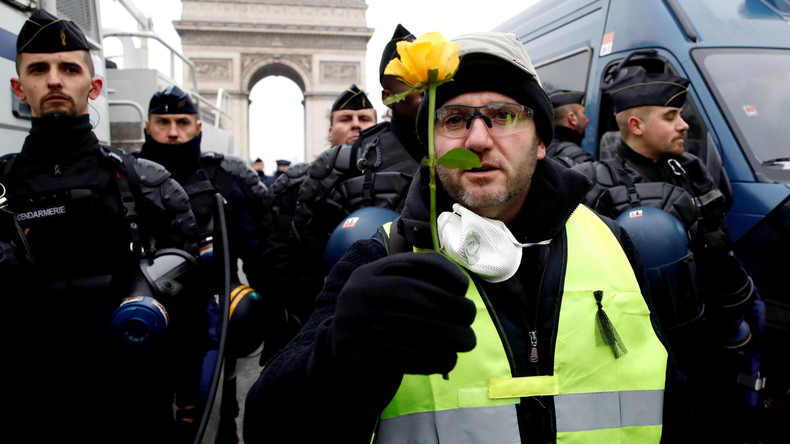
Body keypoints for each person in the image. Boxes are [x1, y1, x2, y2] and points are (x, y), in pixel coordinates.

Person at [244, 31, 694, 443]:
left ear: (541, 140)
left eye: (503, 115)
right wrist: (339, 353)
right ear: (431, 145)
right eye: (454, 119)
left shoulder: (613, 243)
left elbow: (676, 402)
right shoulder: (378, 257)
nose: (478, 139)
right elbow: (267, 427)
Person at [0, 10, 204, 442]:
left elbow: (189, 311)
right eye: (39, 69)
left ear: (93, 86)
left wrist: (189, 397)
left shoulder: (148, 184)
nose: (54, 80)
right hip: (24, 402)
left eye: (69, 68)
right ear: (19, 87)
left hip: (131, 404)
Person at [573, 66, 764, 442]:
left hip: (706, 332)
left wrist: (735, 318)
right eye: (671, 116)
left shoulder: (690, 168)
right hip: (646, 347)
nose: (685, 126)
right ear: (636, 124)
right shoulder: (595, 182)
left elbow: (719, 246)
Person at [135, 85, 289, 443]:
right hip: (149, 323)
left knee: (212, 414)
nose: (173, 133)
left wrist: (275, 315)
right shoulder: (126, 178)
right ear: (147, 126)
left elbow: (259, 253)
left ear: (198, 127)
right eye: (163, 122)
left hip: (209, 324)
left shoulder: (225, 180)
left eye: (183, 122)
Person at [261, 23, 424, 324]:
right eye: (411, 79)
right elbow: (302, 261)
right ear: (388, 95)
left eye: (363, 118)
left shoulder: (467, 147)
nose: (423, 86)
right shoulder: (335, 167)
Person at [545, 89, 593, 167]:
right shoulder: (579, 159)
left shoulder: (542, 149)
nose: (587, 120)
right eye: (583, 113)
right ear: (572, 118)